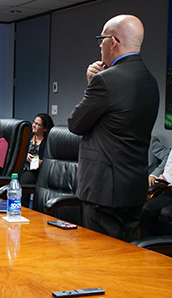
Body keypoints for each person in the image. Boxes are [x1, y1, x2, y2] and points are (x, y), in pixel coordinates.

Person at [67, 15, 159, 242]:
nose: (100, 45)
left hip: (103, 190)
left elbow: (76, 124)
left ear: (113, 42)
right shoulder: (150, 81)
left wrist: (91, 86)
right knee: (123, 257)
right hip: (134, 189)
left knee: (99, 259)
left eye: (102, 39)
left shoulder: (105, 81)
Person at [19, 113, 54, 208]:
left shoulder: (48, 141)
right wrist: (24, 155)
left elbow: (50, 161)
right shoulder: (27, 136)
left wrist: (39, 162)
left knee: (23, 182)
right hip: (22, 166)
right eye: (34, 122)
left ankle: (23, 208)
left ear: (45, 128)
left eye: (38, 124)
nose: (33, 125)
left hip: (37, 170)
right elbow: (18, 151)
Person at [139, 151, 172, 237]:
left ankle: (166, 249)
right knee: (144, 209)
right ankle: (148, 246)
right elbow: (169, 170)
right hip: (170, 192)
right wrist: (164, 179)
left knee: (166, 213)